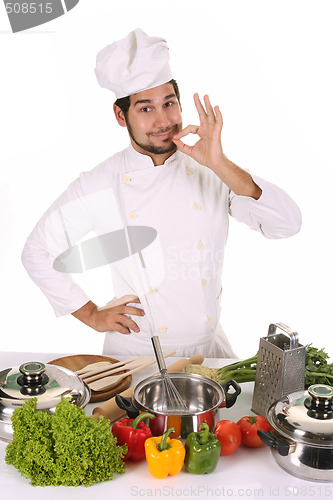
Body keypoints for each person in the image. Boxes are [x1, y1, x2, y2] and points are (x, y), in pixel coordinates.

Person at [21, 29, 302, 357]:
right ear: (120, 115)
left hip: (210, 350)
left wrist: (220, 163)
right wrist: (91, 314)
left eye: (169, 103)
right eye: (145, 108)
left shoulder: (211, 170)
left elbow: (287, 224)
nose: (163, 120)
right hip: (138, 354)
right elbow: (37, 251)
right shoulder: (100, 182)